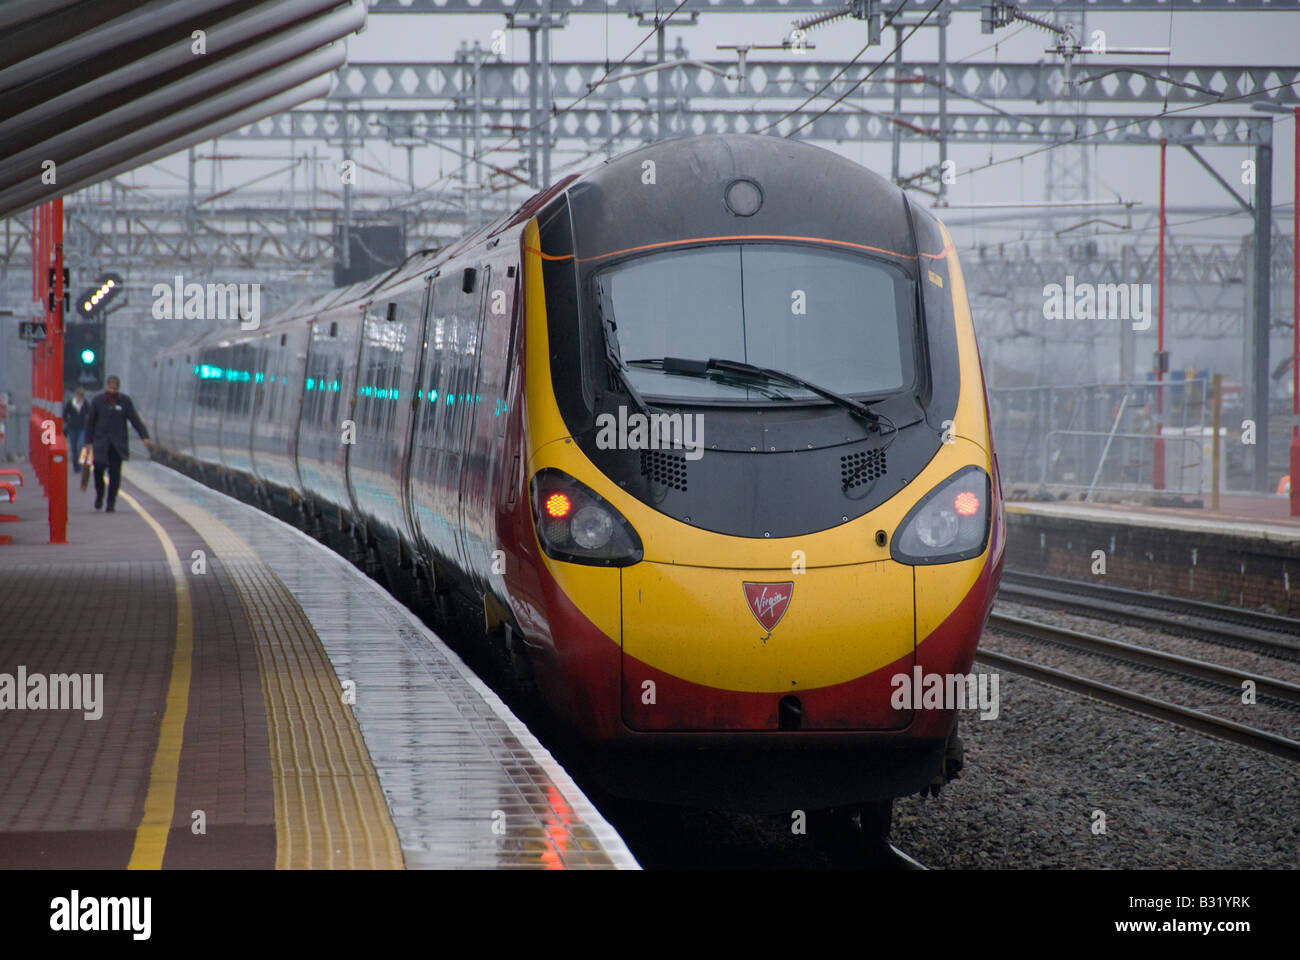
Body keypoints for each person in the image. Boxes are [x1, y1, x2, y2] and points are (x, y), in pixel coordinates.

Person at [83, 375, 152, 512]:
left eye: (115, 388)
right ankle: (100, 495)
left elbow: (134, 419)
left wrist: (144, 435)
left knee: (115, 475)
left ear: (118, 388)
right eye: (110, 387)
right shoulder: (97, 401)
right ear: (106, 386)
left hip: (117, 445)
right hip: (100, 444)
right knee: (98, 471)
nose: (112, 391)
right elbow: (90, 422)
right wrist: (88, 442)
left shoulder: (125, 402)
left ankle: (111, 502)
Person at [64, 387, 88, 474]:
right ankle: (76, 467)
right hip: (72, 428)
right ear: (76, 395)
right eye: (79, 396)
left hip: (82, 427)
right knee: (73, 447)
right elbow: (65, 414)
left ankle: (80, 463)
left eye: (82, 396)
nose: (80, 398)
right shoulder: (70, 403)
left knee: (80, 445)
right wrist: (68, 421)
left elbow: (89, 413)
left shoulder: (85, 404)